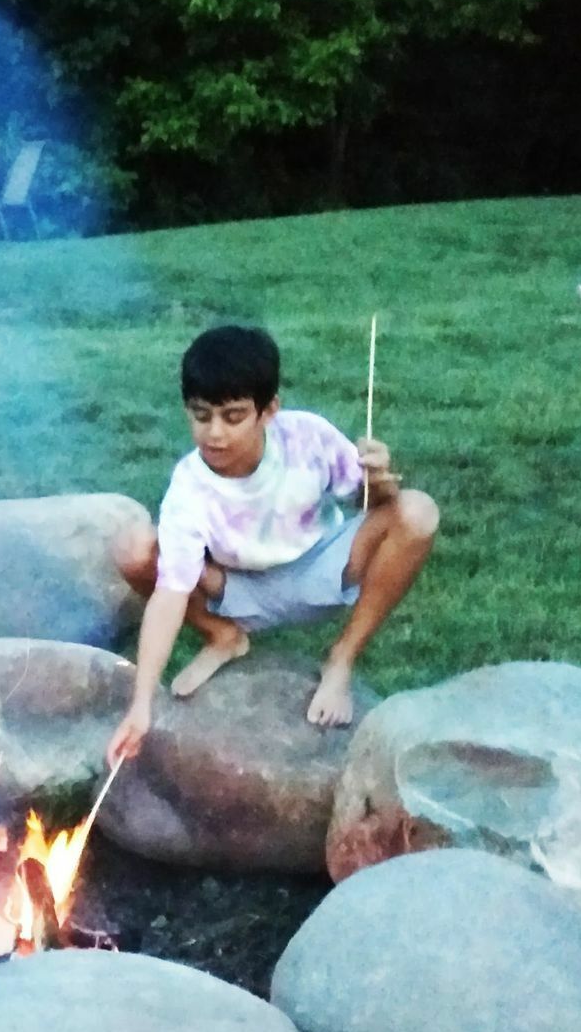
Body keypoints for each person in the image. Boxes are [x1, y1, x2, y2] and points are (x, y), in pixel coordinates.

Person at [105, 324, 439, 763]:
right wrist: (141, 704)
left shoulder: (308, 438)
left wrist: (381, 480)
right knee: (135, 546)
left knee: (417, 511)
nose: (215, 434)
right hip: (238, 591)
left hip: (324, 570)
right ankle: (224, 637)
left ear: (269, 411)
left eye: (233, 416)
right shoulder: (189, 487)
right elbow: (170, 595)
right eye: (201, 415)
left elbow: (372, 503)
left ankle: (341, 658)